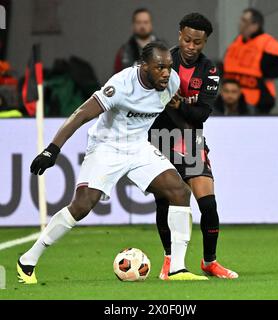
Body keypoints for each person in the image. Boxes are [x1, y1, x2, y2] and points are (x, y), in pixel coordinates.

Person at [17, 42, 209, 284]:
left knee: (179, 191)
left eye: (169, 67)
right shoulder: (121, 85)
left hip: (138, 146)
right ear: (144, 66)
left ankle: (177, 268)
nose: (166, 73)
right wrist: (52, 149)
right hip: (107, 146)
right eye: (160, 67)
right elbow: (82, 114)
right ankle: (28, 260)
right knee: (83, 205)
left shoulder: (171, 83)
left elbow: (170, 114)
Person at [149, 13, 238, 280]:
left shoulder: (209, 70)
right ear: (180, 35)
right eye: (187, 40)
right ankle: (169, 260)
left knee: (208, 204)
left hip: (190, 140)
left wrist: (180, 104)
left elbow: (202, 114)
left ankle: (209, 261)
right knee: (165, 203)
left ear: (205, 42)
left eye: (197, 42)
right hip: (160, 138)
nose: (191, 47)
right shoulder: (164, 61)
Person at [223, 8, 278, 114]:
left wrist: (269, 73)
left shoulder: (265, 42)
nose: (240, 23)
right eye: (241, 20)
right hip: (233, 101)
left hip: (256, 102)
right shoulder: (238, 40)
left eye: (244, 21)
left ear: (255, 25)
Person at [114, 8, 161, 73]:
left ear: (151, 24)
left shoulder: (162, 48)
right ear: (133, 25)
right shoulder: (124, 52)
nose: (142, 26)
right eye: (139, 22)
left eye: (146, 22)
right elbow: (117, 77)